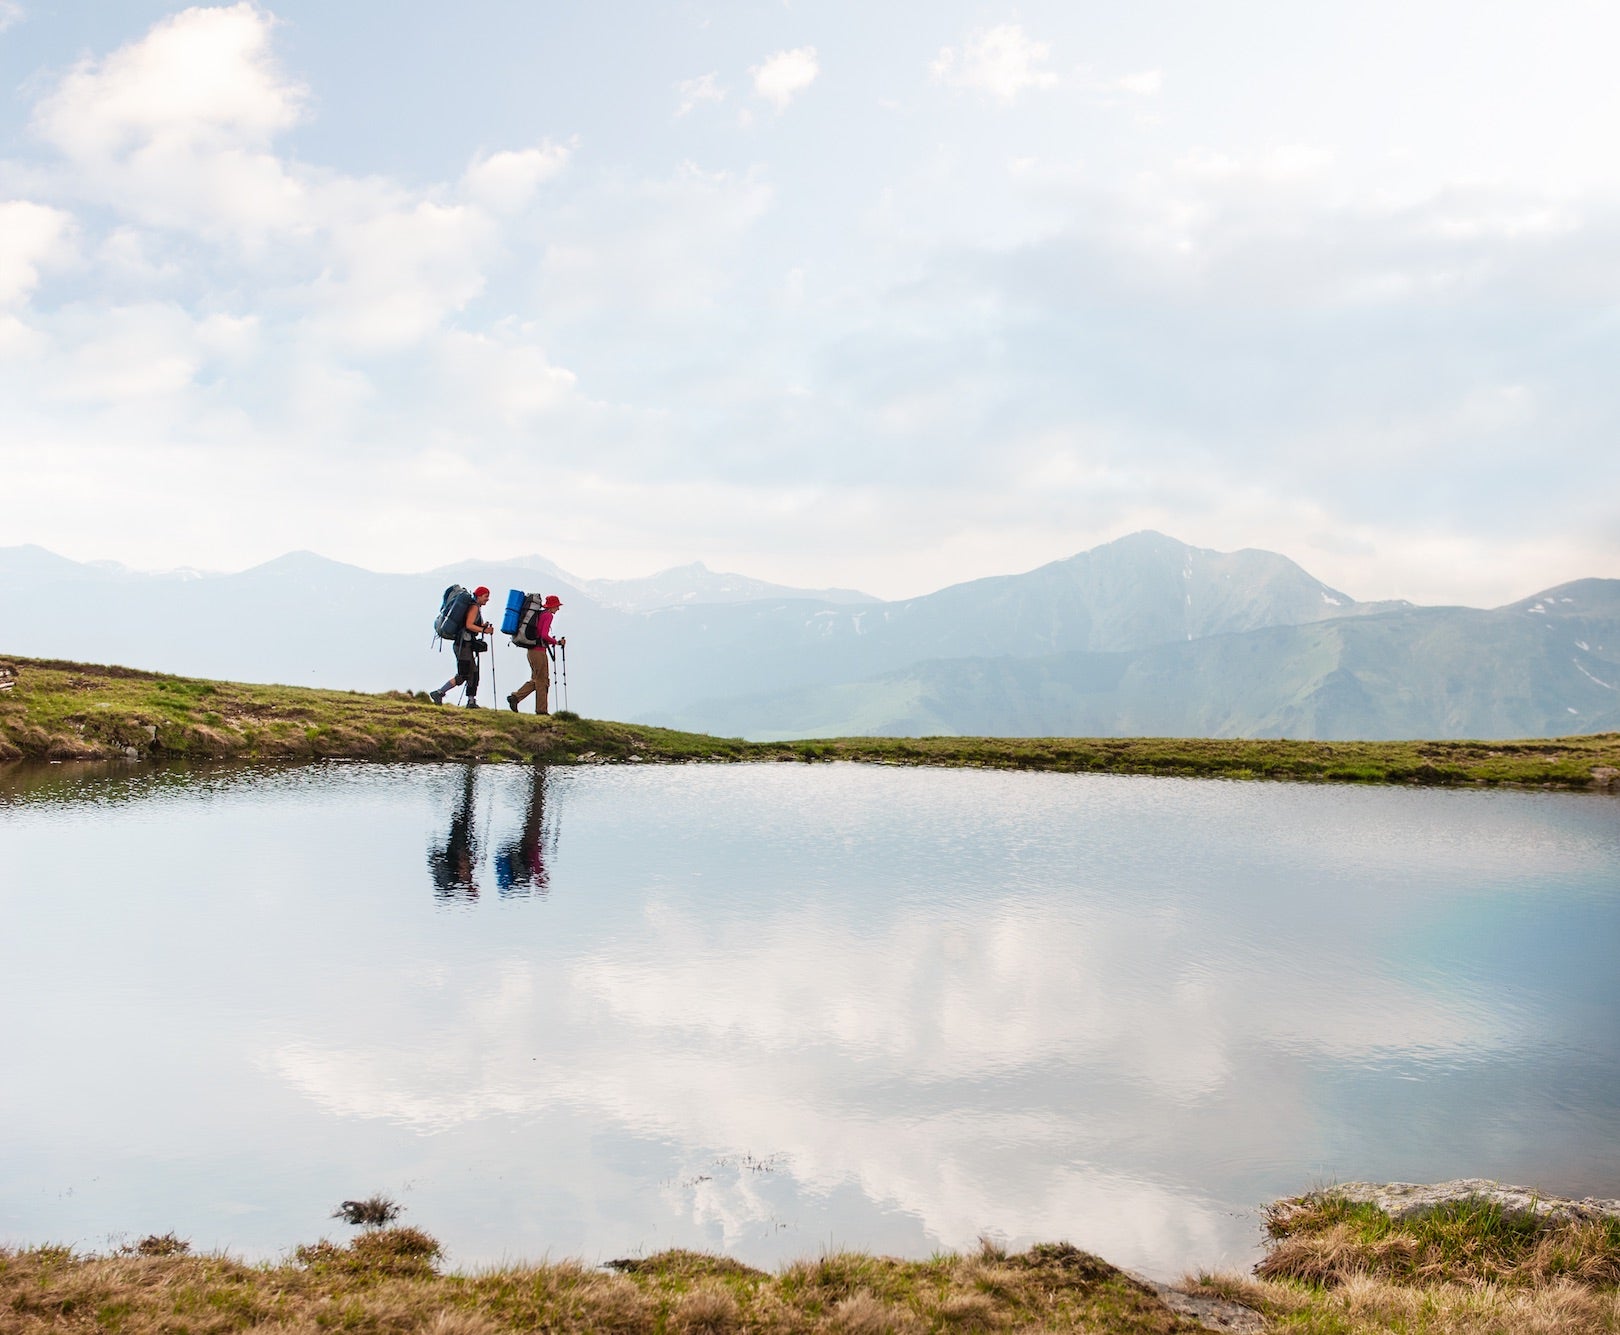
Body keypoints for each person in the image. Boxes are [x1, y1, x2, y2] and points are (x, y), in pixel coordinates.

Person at [429, 586, 495, 707]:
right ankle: (439, 692)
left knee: (473, 672)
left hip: (464, 644)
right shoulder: (474, 607)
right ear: (479, 596)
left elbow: (469, 624)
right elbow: (469, 625)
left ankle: (471, 700)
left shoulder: (474, 606)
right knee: (465, 673)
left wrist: (482, 626)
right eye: (486, 596)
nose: (487, 599)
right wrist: (484, 630)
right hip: (463, 645)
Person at [507, 594, 564, 714]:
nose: (558, 609)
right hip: (539, 652)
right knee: (542, 681)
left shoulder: (540, 614)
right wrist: (556, 642)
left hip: (532, 651)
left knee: (537, 679)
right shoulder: (548, 615)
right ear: (552, 606)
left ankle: (516, 698)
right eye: (557, 606)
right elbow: (543, 635)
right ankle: (541, 710)